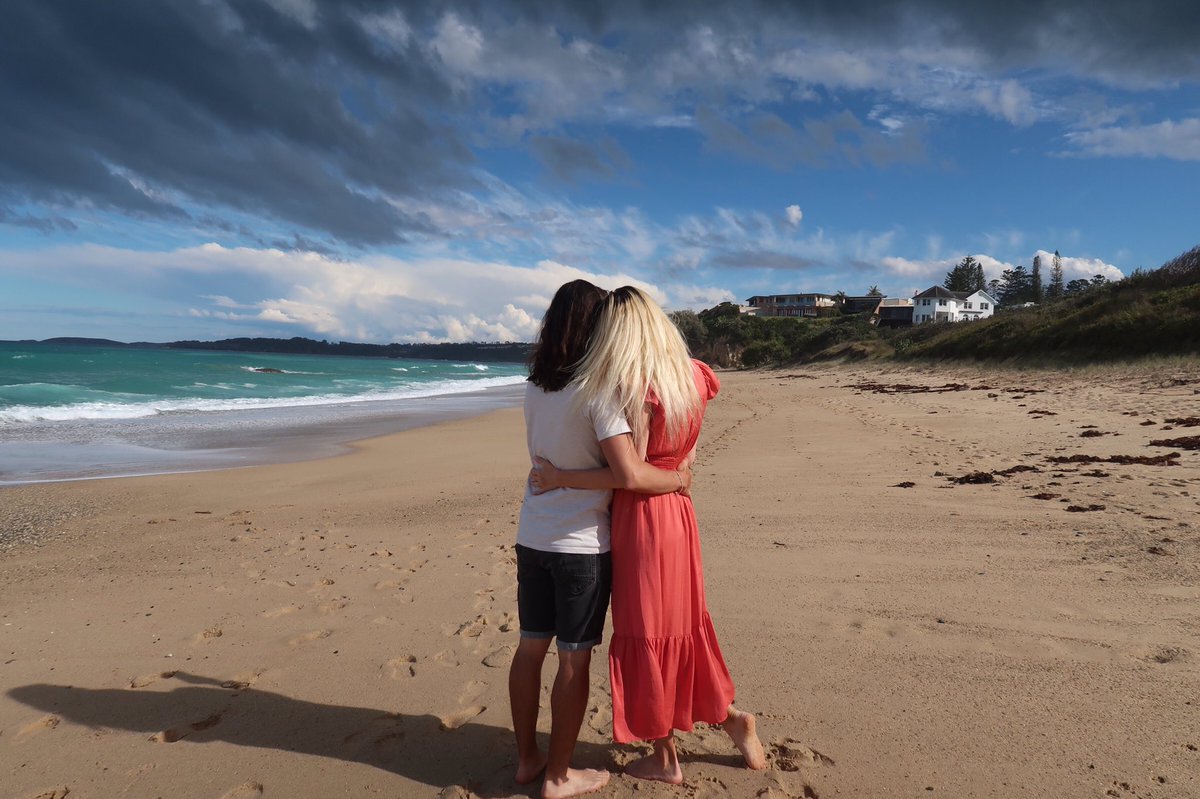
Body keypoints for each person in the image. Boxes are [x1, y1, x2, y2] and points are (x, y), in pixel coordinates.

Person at [530, 286, 767, 785]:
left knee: (647, 631)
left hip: (642, 520)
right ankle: (729, 718)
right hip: (679, 514)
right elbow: (689, 453)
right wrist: (681, 474)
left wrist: (559, 477)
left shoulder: (633, 390)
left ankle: (666, 757)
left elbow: (627, 473)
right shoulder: (693, 377)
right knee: (683, 625)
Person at [513, 280, 691, 799]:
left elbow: (550, 461)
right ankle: (558, 776)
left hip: (533, 534)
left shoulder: (534, 385)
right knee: (573, 659)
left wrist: (557, 475)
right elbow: (629, 474)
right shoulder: (599, 393)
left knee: (529, 650)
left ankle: (528, 760)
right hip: (582, 546)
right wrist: (679, 478)